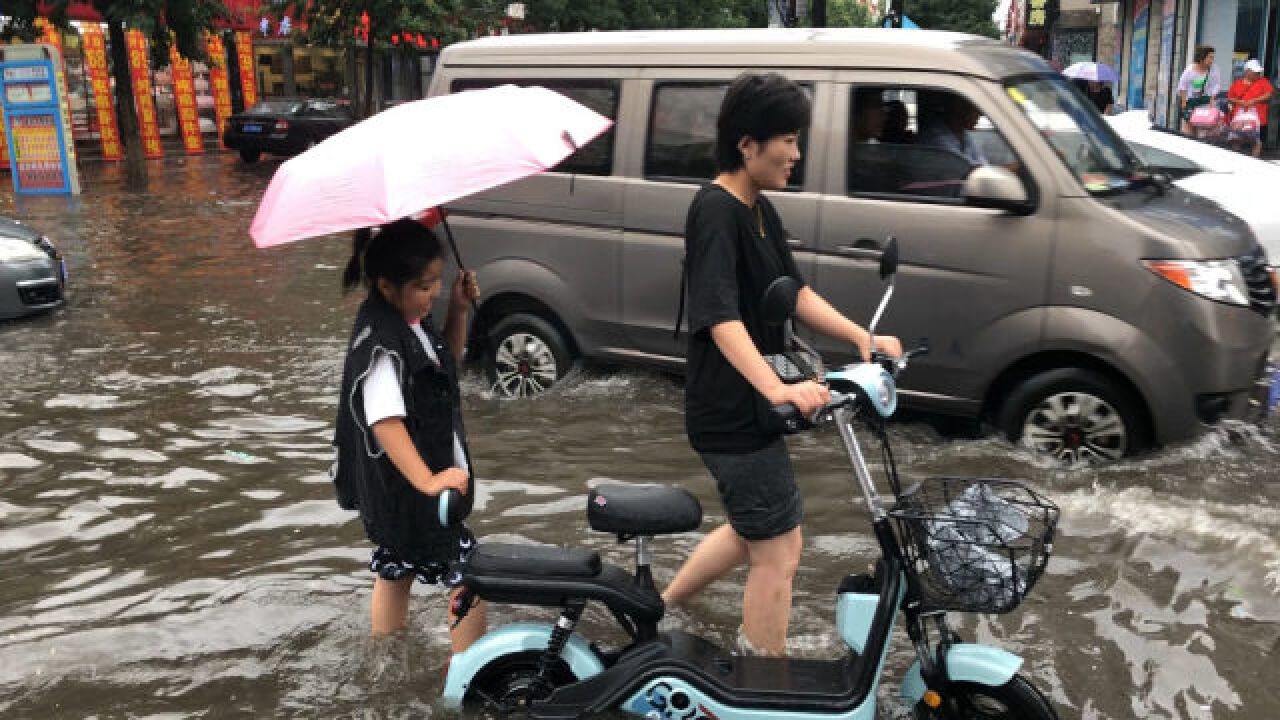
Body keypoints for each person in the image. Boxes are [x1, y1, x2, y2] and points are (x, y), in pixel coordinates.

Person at [661, 72, 902, 657]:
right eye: (787, 139)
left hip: (749, 407)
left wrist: (860, 337)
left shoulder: (758, 208)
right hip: (731, 409)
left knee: (754, 530)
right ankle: (764, 680)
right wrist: (780, 389)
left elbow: (792, 290)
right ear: (747, 145)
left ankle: (664, 606)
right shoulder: (716, 211)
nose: (797, 154)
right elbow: (720, 319)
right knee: (780, 548)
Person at [330, 217, 487, 650]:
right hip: (414, 491)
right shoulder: (383, 342)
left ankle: (387, 660)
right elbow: (384, 421)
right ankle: (469, 673)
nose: (432, 292)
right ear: (385, 286)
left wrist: (456, 310)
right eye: (424, 285)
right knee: (470, 576)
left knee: (395, 570)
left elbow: (444, 367)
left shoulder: (411, 321)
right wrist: (430, 482)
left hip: (397, 494)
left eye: (437, 282)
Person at [918, 93, 987, 166]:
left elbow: (981, 161)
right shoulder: (934, 138)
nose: (980, 114)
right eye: (975, 109)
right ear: (959, 109)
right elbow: (966, 167)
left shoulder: (963, 134)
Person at [1226, 59, 1274, 157]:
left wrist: (1254, 101)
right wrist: (1240, 102)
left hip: (1258, 119)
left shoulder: (1263, 81)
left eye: (1259, 72)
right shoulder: (1237, 84)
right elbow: (1230, 98)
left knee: (1256, 142)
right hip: (1239, 119)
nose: (1258, 74)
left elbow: (1269, 95)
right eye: (1255, 72)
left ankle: (1254, 161)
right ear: (1247, 71)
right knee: (1236, 140)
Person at [1178, 45, 1221, 135]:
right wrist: (1183, 102)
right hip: (1191, 102)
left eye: (1213, 57)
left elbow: (1216, 84)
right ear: (1202, 57)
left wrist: (1213, 98)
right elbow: (1182, 86)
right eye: (1210, 57)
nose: (1212, 60)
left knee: (1204, 130)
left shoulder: (1214, 69)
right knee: (1188, 131)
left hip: (1205, 101)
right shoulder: (1190, 69)